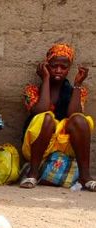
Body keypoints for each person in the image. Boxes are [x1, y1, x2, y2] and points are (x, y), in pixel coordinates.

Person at [21, 43, 94, 191]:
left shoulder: (77, 91)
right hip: (37, 146)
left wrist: (78, 84)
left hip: (63, 146)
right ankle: (33, 173)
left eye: (63, 67)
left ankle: (85, 176)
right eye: (54, 66)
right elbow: (40, 110)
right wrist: (46, 79)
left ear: (69, 68)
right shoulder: (32, 90)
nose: (58, 70)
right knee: (46, 118)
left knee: (80, 119)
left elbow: (74, 114)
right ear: (47, 66)